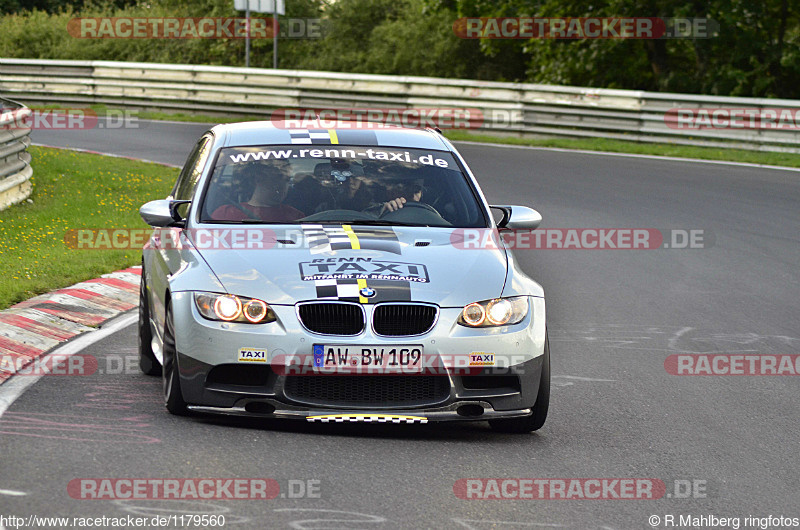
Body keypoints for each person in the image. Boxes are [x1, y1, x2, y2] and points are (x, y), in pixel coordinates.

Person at [211, 162, 305, 222]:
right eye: (278, 177)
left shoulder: (296, 217)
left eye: (287, 179)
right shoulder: (224, 214)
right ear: (258, 178)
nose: (284, 184)